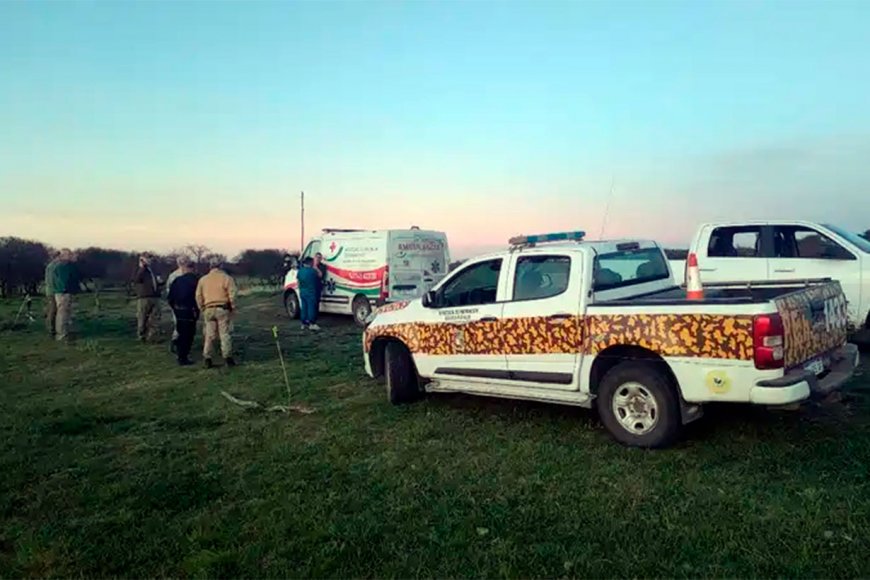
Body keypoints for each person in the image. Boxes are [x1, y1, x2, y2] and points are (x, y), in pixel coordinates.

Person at [196, 256, 238, 368]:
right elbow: (232, 294)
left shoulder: (203, 280)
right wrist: (233, 307)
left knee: (209, 335)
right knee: (224, 334)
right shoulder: (227, 278)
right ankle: (227, 357)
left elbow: (198, 296)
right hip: (222, 308)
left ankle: (207, 358)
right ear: (221, 266)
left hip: (208, 308)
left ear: (210, 266)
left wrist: (202, 308)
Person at [167, 259, 199, 366]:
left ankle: (179, 351)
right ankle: (183, 357)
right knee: (189, 334)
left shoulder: (177, 280)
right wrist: (197, 309)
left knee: (181, 331)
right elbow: (198, 296)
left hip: (178, 310)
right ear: (193, 269)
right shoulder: (196, 281)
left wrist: (174, 308)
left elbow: (170, 297)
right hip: (190, 310)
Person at [51, 249, 80, 341]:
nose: (71, 256)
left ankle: (67, 332)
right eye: (69, 254)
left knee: (66, 312)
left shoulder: (64, 265)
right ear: (63, 256)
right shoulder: (63, 266)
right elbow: (64, 280)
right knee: (63, 313)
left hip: (63, 291)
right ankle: (62, 334)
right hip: (64, 292)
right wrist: (65, 289)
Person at [132, 254, 163, 342]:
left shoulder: (153, 270)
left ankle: (152, 336)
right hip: (144, 297)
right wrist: (142, 267)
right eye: (148, 259)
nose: (150, 261)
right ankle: (142, 335)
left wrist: (160, 282)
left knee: (155, 317)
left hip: (155, 296)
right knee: (143, 317)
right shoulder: (140, 270)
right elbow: (137, 280)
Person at [166, 255, 192, 353]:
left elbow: (168, 289)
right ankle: (177, 342)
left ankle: (177, 341)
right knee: (182, 324)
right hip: (184, 304)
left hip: (176, 304)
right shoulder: (181, 275)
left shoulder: (172, 275)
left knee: (178, 323)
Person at [297, 257, 321, 331]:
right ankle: (312, 323)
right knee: (311, 308)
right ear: (310, 263)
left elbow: (298, 282)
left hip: (302, 292)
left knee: (304, 308)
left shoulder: (300, 271)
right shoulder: (312, 271)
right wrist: (316, 267)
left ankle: (303, 323)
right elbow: (320, 275)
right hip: (311, 292)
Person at [44, 252, 60, 337]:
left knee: (53, 310)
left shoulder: (51, 266)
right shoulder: (53, 266)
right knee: (53, 310)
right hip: (53, 291)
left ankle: (53, 328)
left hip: (52, 291)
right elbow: (51, 280)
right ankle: (51, 330)